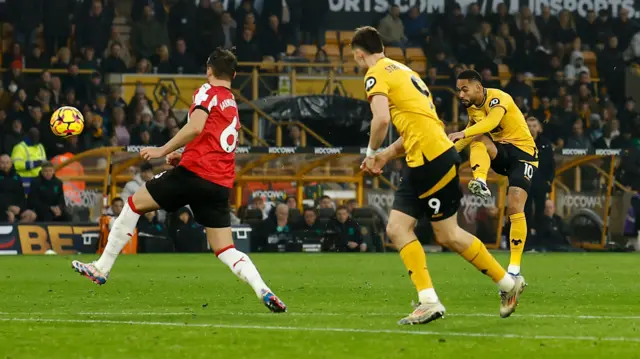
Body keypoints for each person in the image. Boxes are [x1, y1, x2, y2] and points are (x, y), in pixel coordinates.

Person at [71, 48, 287, 313]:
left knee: (134, 204)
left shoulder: (206, 92)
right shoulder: (232, 103)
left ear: (209, 70)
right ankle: (262, 288)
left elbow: (196, 126)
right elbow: (214, 142)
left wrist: (162, 151)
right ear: (233, 74)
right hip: (219, 184)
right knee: (225, 248)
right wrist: (184, 155)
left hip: (194, 175)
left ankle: (101, 268)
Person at [352, 26, 524, 325]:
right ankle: (432, 299)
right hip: (423, 158)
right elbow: (414, 129)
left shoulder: (376, 73)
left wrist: (370, 153)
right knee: (398, 228)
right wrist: (385, 155)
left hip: (432, 160)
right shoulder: (405, 72)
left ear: (358, 53)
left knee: (448, 234)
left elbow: (380, 119)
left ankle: (504, 285)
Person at [449, 69, 539, 277]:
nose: (461, 95)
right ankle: (479, 180)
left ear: (478, 87)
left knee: (515, 206)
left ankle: (514, 268)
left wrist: (464, 132)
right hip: (503, 153)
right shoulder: (473, 108)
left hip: (523, 154)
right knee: (478, 139)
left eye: (464, 89)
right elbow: (470, 136)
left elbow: (490, 123)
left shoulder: (499, 98)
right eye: (458, 90)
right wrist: (445, 153)